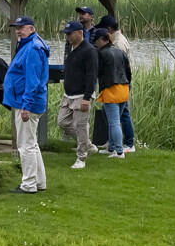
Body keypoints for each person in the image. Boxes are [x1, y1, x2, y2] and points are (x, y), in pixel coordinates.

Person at [3, 16, 50, 194]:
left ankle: (29, 184)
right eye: (16, 27)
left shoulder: (31, 49)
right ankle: (39, 182)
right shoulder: (29, 45)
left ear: (31, 29)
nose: (18, 30)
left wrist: (26, 106)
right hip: (26, 101)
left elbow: (32, 81)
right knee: (32, 143)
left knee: (25, 145)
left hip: (26, 103)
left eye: (22, 27)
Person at [56, 20, 97, 168]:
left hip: (81, 95)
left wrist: (87, 98)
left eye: (70, 34)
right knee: (62, 122)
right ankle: (87, 143)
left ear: (80, 33)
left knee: (81, 126)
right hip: (68, 94)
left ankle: (81, 158)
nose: (67, 37)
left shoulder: (89, 50)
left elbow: (92, 76)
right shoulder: (70, 48)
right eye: (66, 34)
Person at [94, 14, 135, 152]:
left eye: (96, 40)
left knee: (115, 121)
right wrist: (127, 84)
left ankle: (119, 149)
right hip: (124, 87)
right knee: (114, 119)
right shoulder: (118, 49)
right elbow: (128, 70)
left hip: (112, 88)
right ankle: (112, 146)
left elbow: (101, 72)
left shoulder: (106, 51)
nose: (96, 43)